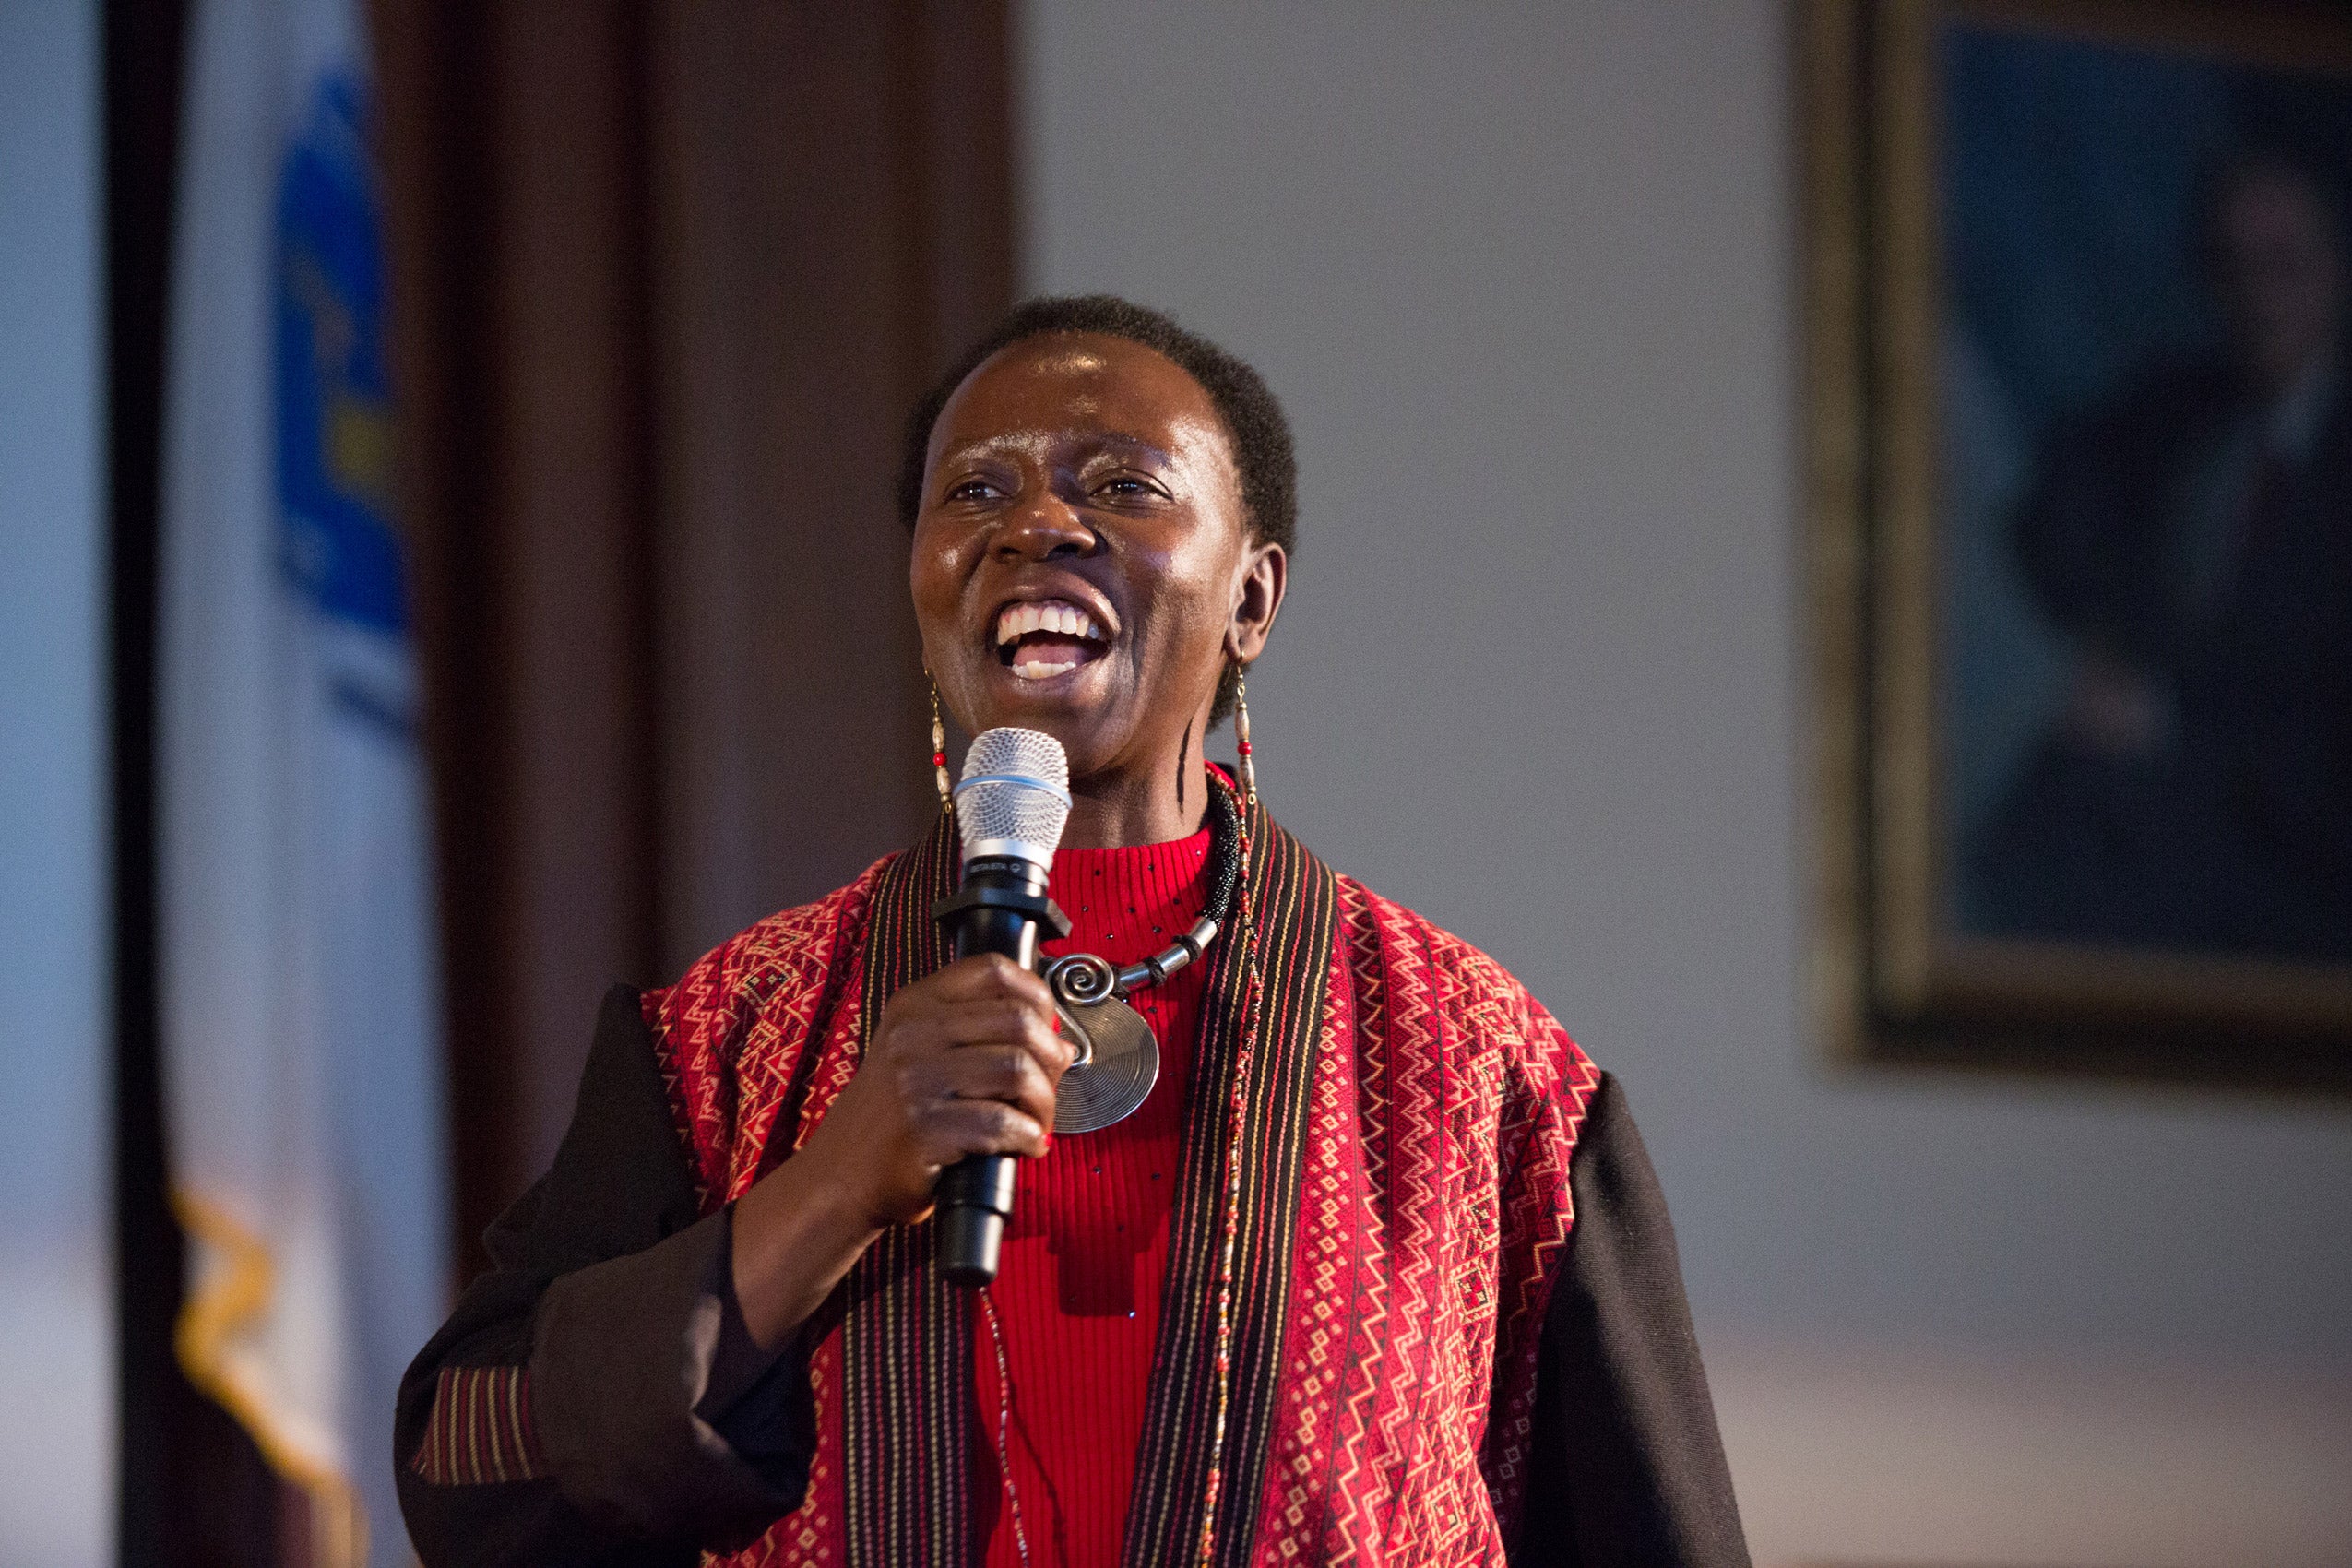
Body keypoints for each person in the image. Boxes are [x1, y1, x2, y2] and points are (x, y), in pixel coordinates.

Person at [397, 296, 1749, 1567]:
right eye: (974, 490)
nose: (1034, 522)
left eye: (1122, 486)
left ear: (1252, 599)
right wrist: (831, 1188)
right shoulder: (723, 1041)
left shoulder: (1489, 1080)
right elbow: (468, 1468)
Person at [1976, 151, 2352, 958]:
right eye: (2232, 268)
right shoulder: (2179, 419)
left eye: (2285, 265)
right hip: (2144, 829)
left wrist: (2169, 724)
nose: (2259, 298)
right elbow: (2050, 521)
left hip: (2287, 882)